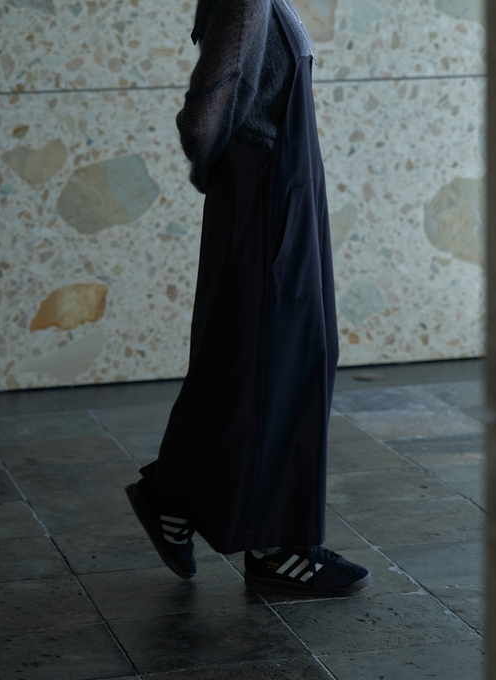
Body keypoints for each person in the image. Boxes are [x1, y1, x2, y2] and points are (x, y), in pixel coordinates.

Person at [125, 0, 371, 597]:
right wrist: (232, 177)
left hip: (283, 189)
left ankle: (176, 497)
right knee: (273, 362)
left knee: (272, 357)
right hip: (267, 192)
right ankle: (276, 548)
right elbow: (202, 119)